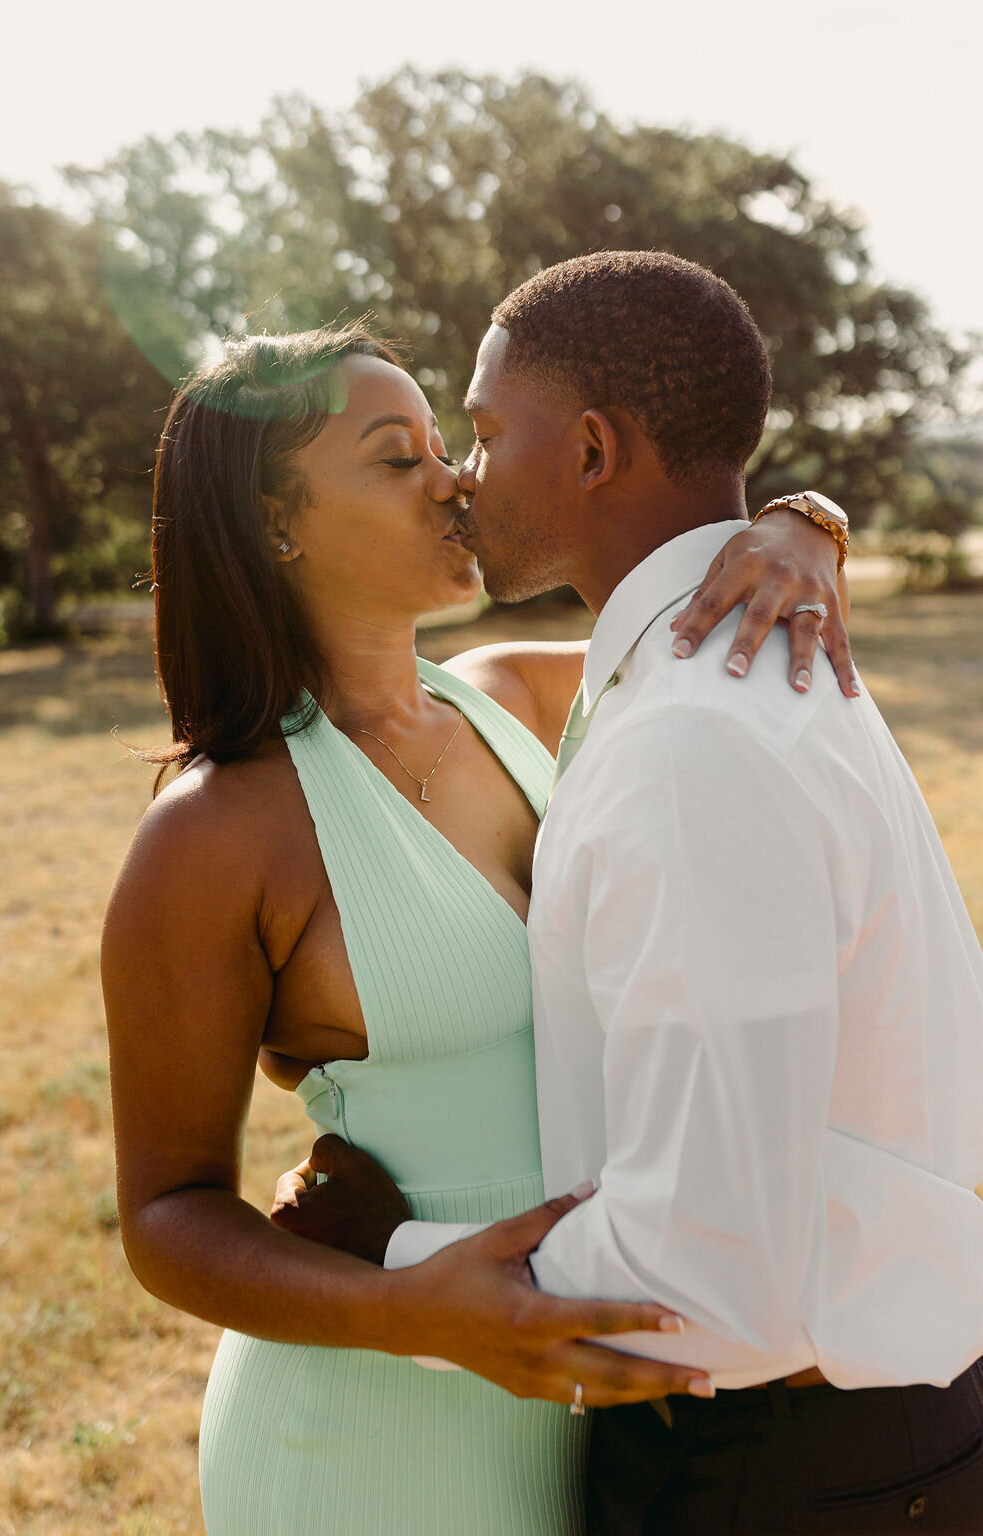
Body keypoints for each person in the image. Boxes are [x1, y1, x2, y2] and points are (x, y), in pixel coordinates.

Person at [102, 320, 850, 1536]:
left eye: (449, 444)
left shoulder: (518, 692)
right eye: (399, 458)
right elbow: (167, 1216)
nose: (456, 479)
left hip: (601, 1417)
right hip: (377, 1428)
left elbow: (714, 604)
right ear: (272, 522)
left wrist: (801, 522)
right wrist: (410, 1312)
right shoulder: (216, 832)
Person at [300, 253, 983, 1533]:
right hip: (856, 1432)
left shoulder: (691, 738)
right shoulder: (724, 656)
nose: (462, 473)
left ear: (595, 449)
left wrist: (379, 1263)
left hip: (777, 1466)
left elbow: (699, 1276)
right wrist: (804, 517)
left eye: (490, 433)